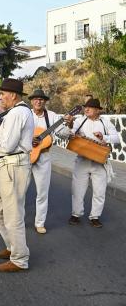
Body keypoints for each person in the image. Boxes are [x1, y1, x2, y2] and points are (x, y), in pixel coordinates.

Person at [0, 78, 34, 272]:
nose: (0, 97)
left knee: (13, 215)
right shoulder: (16, 111)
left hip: (13, 166)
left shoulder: (18, 112)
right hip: (8, 166)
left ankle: (19, 259)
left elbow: (6, 145)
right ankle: (13, 247)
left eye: (3, 94)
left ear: (13, 95)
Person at [60, 98, 120, 228]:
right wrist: (70, 124)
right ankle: (76, 215)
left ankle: (95, 217)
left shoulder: (105, 122)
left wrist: (104, 137)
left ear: (98, 110)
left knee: (99, 191)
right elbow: (69, 134)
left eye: (90, 107)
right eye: (85, 107)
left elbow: (116, 138)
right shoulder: (80, 121)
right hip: (82, 161)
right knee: (77, 189)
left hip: (99, 162)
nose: (86, 109)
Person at [28, 89, 63, 234]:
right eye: (36, 99)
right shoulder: (26, 114)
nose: (38, 101)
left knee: (42, 192)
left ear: (45, 101)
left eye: (41, 99)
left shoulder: (53, 116)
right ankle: (16, 221)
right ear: (31, 101)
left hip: (44, 157)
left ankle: (40, 223)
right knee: (19, 191)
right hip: (26, 155)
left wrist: (69, 124)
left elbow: (62, 132)